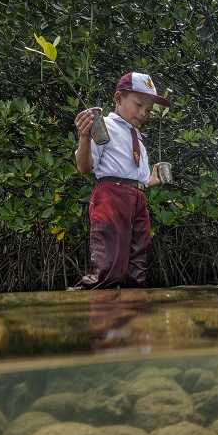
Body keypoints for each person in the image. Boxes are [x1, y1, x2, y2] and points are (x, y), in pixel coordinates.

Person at [70, 72, 170, 290]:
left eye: (149, 110)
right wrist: (85, 137)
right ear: (118, 98)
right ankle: (92, 308)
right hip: (111, 196)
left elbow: (137, 179)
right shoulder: (103, 126)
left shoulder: (138, 139)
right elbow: (84, 168)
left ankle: (132, 314)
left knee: (138, 263)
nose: (143, 113)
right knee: (109, 264)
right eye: (138, 104)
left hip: (137, 200)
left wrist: (152, 179)